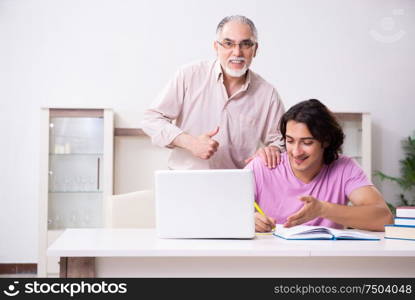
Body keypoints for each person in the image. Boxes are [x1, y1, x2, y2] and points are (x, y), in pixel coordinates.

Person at [141, 15, 285, 170]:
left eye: (245, 44)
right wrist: (191, 143)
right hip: (185, 182)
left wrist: (273, 150)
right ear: (216, 47)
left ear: (255, 49)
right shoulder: (188, 75)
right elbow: (151, 119)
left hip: (236, 185)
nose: (237, 52)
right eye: (228, 43)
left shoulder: (267, 94)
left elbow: (282, 141)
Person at [246, 99, 393, 232]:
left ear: (326, 140)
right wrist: (247, 219)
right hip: (271, 258)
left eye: (307, 142)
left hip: (325, 260)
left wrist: (323, 209)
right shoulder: (262, 166)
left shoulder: (345, 168)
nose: (296, 152)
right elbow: (225, 210)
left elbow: (384, 219)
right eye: (290, 141)